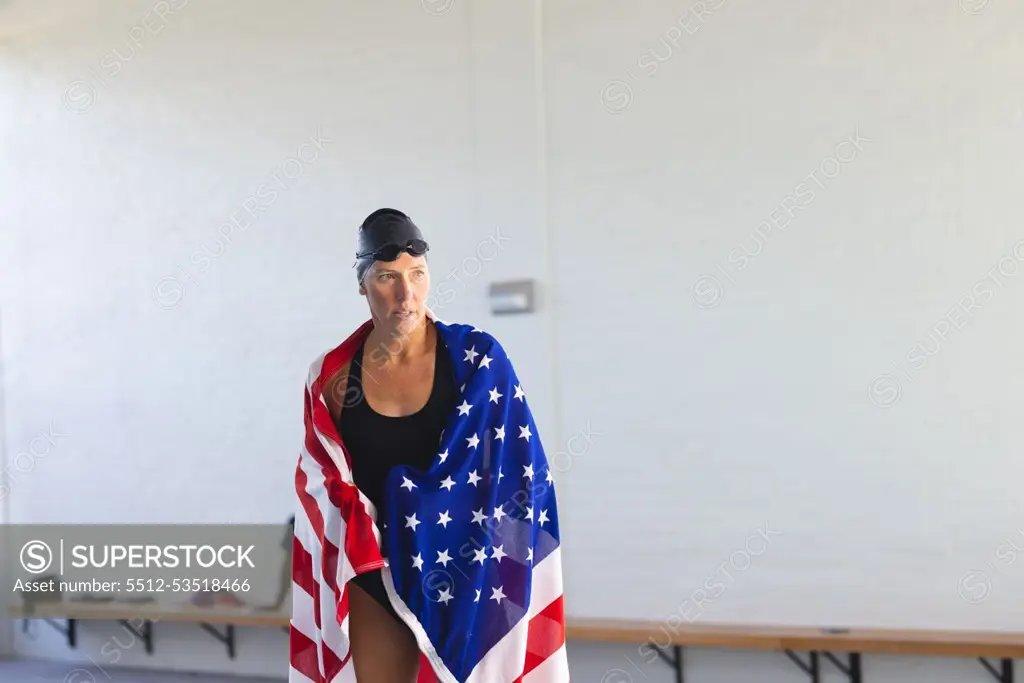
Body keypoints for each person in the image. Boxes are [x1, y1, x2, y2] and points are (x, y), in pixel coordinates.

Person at [290, 208, 567, 683]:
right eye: (386, 277)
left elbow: (518, 474)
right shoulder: (332, 380)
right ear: (362, 285)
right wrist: (356, 514)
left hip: (464, 568)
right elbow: (320, 480)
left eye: (417, 275)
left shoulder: (476, 360)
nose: (405, 294)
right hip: (373, 571)